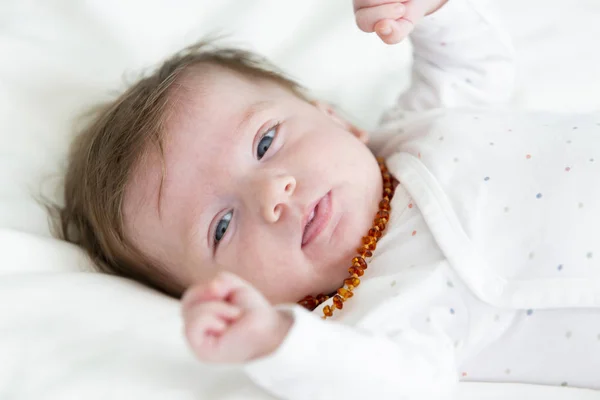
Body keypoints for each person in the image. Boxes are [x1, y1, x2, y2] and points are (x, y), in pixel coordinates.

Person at [56, 0, 600, 398]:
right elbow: (394, 383)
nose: (273, 194)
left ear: (333, 117)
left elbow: (475, 69)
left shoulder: (418, 126)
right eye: (221, 226)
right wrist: (278, 343)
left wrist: (428, 11)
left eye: (266, 142)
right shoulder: (378, 317)